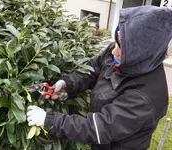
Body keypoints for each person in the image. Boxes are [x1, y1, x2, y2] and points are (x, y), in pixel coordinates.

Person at [26, 6, 172, 150]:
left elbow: (100, 127)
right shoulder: (118, 55)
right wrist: (68, 84)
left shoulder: (146, 97)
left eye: (122, 48)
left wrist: (49, 120)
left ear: (141, 54)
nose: (114, 50)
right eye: (117, 42)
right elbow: (94, 69)